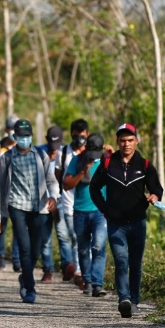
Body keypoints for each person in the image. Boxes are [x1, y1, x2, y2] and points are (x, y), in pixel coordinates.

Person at [90, 123, 163, 318]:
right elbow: (94, 188)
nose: (126, 144)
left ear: (136, 141)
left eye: (130, 140)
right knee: (121, 261)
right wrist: (105, 208)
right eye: (123, 140)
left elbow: (157, 188)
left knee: (136, 263)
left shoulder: (145, 165)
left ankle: (135, 300)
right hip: (116, 224)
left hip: (138, 222)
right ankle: (124, 299)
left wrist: (155, 196)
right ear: (117, 142)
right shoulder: (108, 164)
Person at [0, 119, 60, 303]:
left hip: (39, 207)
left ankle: (24, 276)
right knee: (24, 247)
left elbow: (51, 180)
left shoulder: (40, 154)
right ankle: (30, 289)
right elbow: (0, 187)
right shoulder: (6, 158)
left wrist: (53, 196)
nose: (24, 139)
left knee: (36, 248)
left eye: (27, 136)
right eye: (21, 136)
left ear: (31, 136)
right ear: (15, 137)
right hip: (17, 206)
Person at [63, 133, 108, 297]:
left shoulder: (107, 161)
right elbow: (66, 184)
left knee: (98, 245)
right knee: (83, 249)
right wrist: (82, 171)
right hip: (80, 212)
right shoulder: (77, 160)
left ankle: (97, 284)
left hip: (100, 212)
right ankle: (87, 281)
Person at [54, 118, 90, 288]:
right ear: (71, 135)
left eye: (82, 136)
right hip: (68, 203)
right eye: (76, 136)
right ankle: (77, 271)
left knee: (80, 239)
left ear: (88, 135)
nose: (79, 140)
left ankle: (80, 272)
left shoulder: (92, 153)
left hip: (87, 203)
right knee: (74, 238)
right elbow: (58, 176)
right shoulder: (63, 153)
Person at [37, 126, 74, 283]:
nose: (54, 151)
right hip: (43, 201)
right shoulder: (38, 153)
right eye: (52, 147)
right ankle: (48, 269)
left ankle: (67, 267)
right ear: (46, 139)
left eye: (56, 147)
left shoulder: (65, 153)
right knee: (45, 238)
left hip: (60, 201)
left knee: (63, 235)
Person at [0, 115, 21, 271]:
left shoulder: (25, 148)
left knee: (18, 228)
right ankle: (0, 256)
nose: (13, 132)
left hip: (18, 195)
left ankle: (16, 260)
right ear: (6, 130)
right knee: (0, 227)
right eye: (11, 128)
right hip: (2, 192)